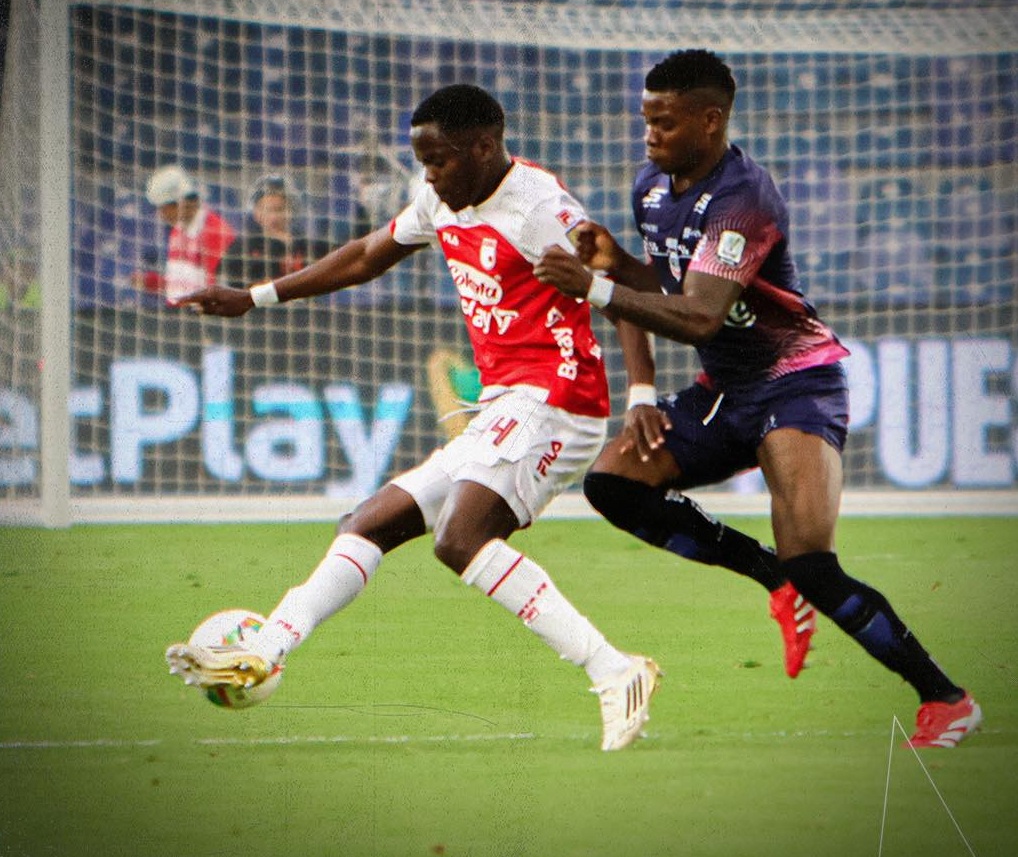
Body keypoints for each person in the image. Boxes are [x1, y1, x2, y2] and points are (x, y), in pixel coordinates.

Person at [165, 84, 660, 752]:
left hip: (559, 400)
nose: (428, 175)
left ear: (484, 147)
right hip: (504, 403)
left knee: (460, 539)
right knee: (367, 522)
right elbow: (370, 253)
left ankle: (614, 670)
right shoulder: (439, 199)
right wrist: (255, 296)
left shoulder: (541, 207)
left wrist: (644, 394)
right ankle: (268, 644)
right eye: (422, 161)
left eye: (440, 160)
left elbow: (627, 286)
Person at [534, 49, 982, 749]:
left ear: (710, 121)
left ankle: (946, 698)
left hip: (796, 383)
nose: (649, 134)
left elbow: (702, 315)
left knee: (813, 560)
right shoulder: (651, 186)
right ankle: (769, 576)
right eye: (646, 119)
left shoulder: (746, 196)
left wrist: (593, 285)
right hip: (726, 388)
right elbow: (661, 289)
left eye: (665, 121)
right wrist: (619, 281)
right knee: (614, 483)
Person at [136, 164, 235, 303]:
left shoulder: (216, 232)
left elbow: (218, 287)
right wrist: (152, 282)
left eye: (164, 208)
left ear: (182, 203)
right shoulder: (178, 230)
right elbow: (181, 284)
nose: (161, 214)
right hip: (179, 315)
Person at [221, 174, 332, 286]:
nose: (274, 217)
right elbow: (233, 281)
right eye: (268, 210)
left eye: (280, 210)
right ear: (256, 213)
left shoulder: (306, 244)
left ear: (291, 211)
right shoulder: (243, 246)